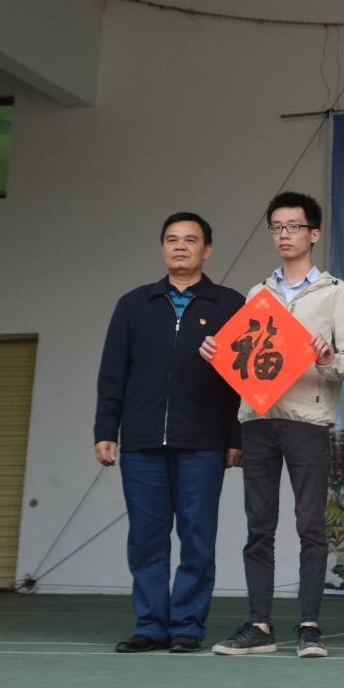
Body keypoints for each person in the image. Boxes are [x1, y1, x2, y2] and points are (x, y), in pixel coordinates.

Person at [202, 192, 344, 658]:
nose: (284, 235)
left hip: (307, 421)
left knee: (310, 524)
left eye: (293, 227)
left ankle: (309, 625)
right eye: (276, 227)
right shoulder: (259, 293)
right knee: (259, 525)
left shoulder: (334, 291)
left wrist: (327, 358)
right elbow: (246, 359)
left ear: (314, 233)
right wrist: (216, 353)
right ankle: (259, 624)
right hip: (258, 420)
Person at [95, 212, 245, 654]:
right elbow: (112, 372)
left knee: (197, 538)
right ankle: (150, 626)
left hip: (203, 442)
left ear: (207, 250)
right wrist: (106, 428)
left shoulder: (229, 304)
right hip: (141, 442)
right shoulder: (134, 304)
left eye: (190, 240)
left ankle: (187, 627)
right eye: (172, 239)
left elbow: (242, 379)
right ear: (162, 248)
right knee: (146, 538)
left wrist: (235, 436)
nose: (180, 246)